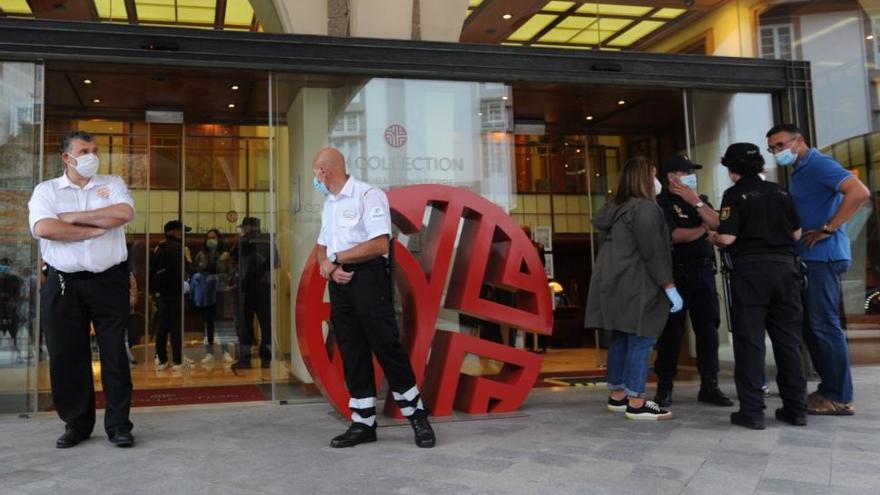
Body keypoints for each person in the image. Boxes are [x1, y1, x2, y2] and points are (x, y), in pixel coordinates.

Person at [312, 147, 436, 448]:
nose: (314, 178)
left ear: (324, 172)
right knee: (352, 350)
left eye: (315, 172)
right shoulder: (329, 204)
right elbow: (321, 247)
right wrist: (328, 268)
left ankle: (418, 417)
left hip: (369, 279)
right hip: (340, 284)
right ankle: (363, 423)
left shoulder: (368, 195)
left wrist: (337, 257)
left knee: (385, 345)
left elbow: (380, 244)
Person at [27, 130, 135, 448]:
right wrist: (95, 229)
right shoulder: (46, 190)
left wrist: (73, 219)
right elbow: (45, 228)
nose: (91, 155)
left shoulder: (112, 183)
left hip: (109, 281)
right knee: (66, 355)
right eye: (84, 150)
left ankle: (119, 425)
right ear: (66, 157)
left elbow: (124, 214)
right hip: (63, 283)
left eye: (95, 149)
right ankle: (77, 424)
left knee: (115, 354)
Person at [766, 124, 870, 416]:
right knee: (813, 326)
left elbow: (858, 192)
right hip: (810, 258)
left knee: (824, 325)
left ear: (799, 141)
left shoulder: (819, 164)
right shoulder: (801, 170)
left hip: (822, 257)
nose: (777, 152)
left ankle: (839, 396)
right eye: (772, 148)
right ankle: (829, 390)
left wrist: (829, 228)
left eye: (780, 145)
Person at [713, 142, 807, 430]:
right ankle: (796, 409)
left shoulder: (734, 194)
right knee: (788, 341)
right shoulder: (781, 191)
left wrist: (711, 237)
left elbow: (727, 239)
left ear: (731, 169)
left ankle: (752, 412)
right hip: (786, 270)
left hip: (752, 272)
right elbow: (796, 232)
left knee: (750, 342)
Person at [585, 156, 683, 421]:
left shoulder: (614, 209)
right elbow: (653, 252)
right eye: (653, 174)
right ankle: (637, 401)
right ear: (644, 179)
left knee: (621, 337)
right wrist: (669, 286)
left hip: (613, 284)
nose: (657, 181)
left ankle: (617, 396)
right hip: (638, 284)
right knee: (642, 338)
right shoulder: (645, 209)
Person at [653, 155, 733, 408]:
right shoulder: (660, 203)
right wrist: (702, 230)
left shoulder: (702, 201)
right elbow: (675, 235)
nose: (690, 176)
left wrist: (696, 202)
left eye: (691, 172)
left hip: (704, 272)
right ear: (671, 177)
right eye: (685, 172)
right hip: (675, 273)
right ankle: (665, 385)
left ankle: (710, 384)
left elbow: (720, 224)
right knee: (671, 332)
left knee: (708, 329)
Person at [230, 217, 276, 369]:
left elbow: (233, 256)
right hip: (265, 286)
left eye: (243, 227)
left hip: (247, 287)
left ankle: (245, 359)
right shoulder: (268, 240)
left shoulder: (243, 241)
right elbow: (276, 262)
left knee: (245, 325)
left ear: (248, 227)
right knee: (266, 325)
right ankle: (266, 359)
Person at [150, 220, 191, 371]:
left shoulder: (159, 247)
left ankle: (162, 359)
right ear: (173, 232)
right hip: (175, 292)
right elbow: (181, 270)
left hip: (162, 293)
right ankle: (178, 361)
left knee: (162, 326)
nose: (183, 234)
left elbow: (152, 270)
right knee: (176, 326)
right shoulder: (177, 248)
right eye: (181, 231)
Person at [192, 229, 231, 364]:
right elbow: (196, 269)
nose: (211, 240)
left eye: (213, 237)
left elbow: (229, 274)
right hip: (206, 292)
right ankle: (209, 353)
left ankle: (226, 352)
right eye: (208, 237)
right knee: (208, 323)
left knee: (222, 323)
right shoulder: (202, 254)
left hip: (220, 291)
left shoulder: (225, 255)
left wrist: (216, 277)